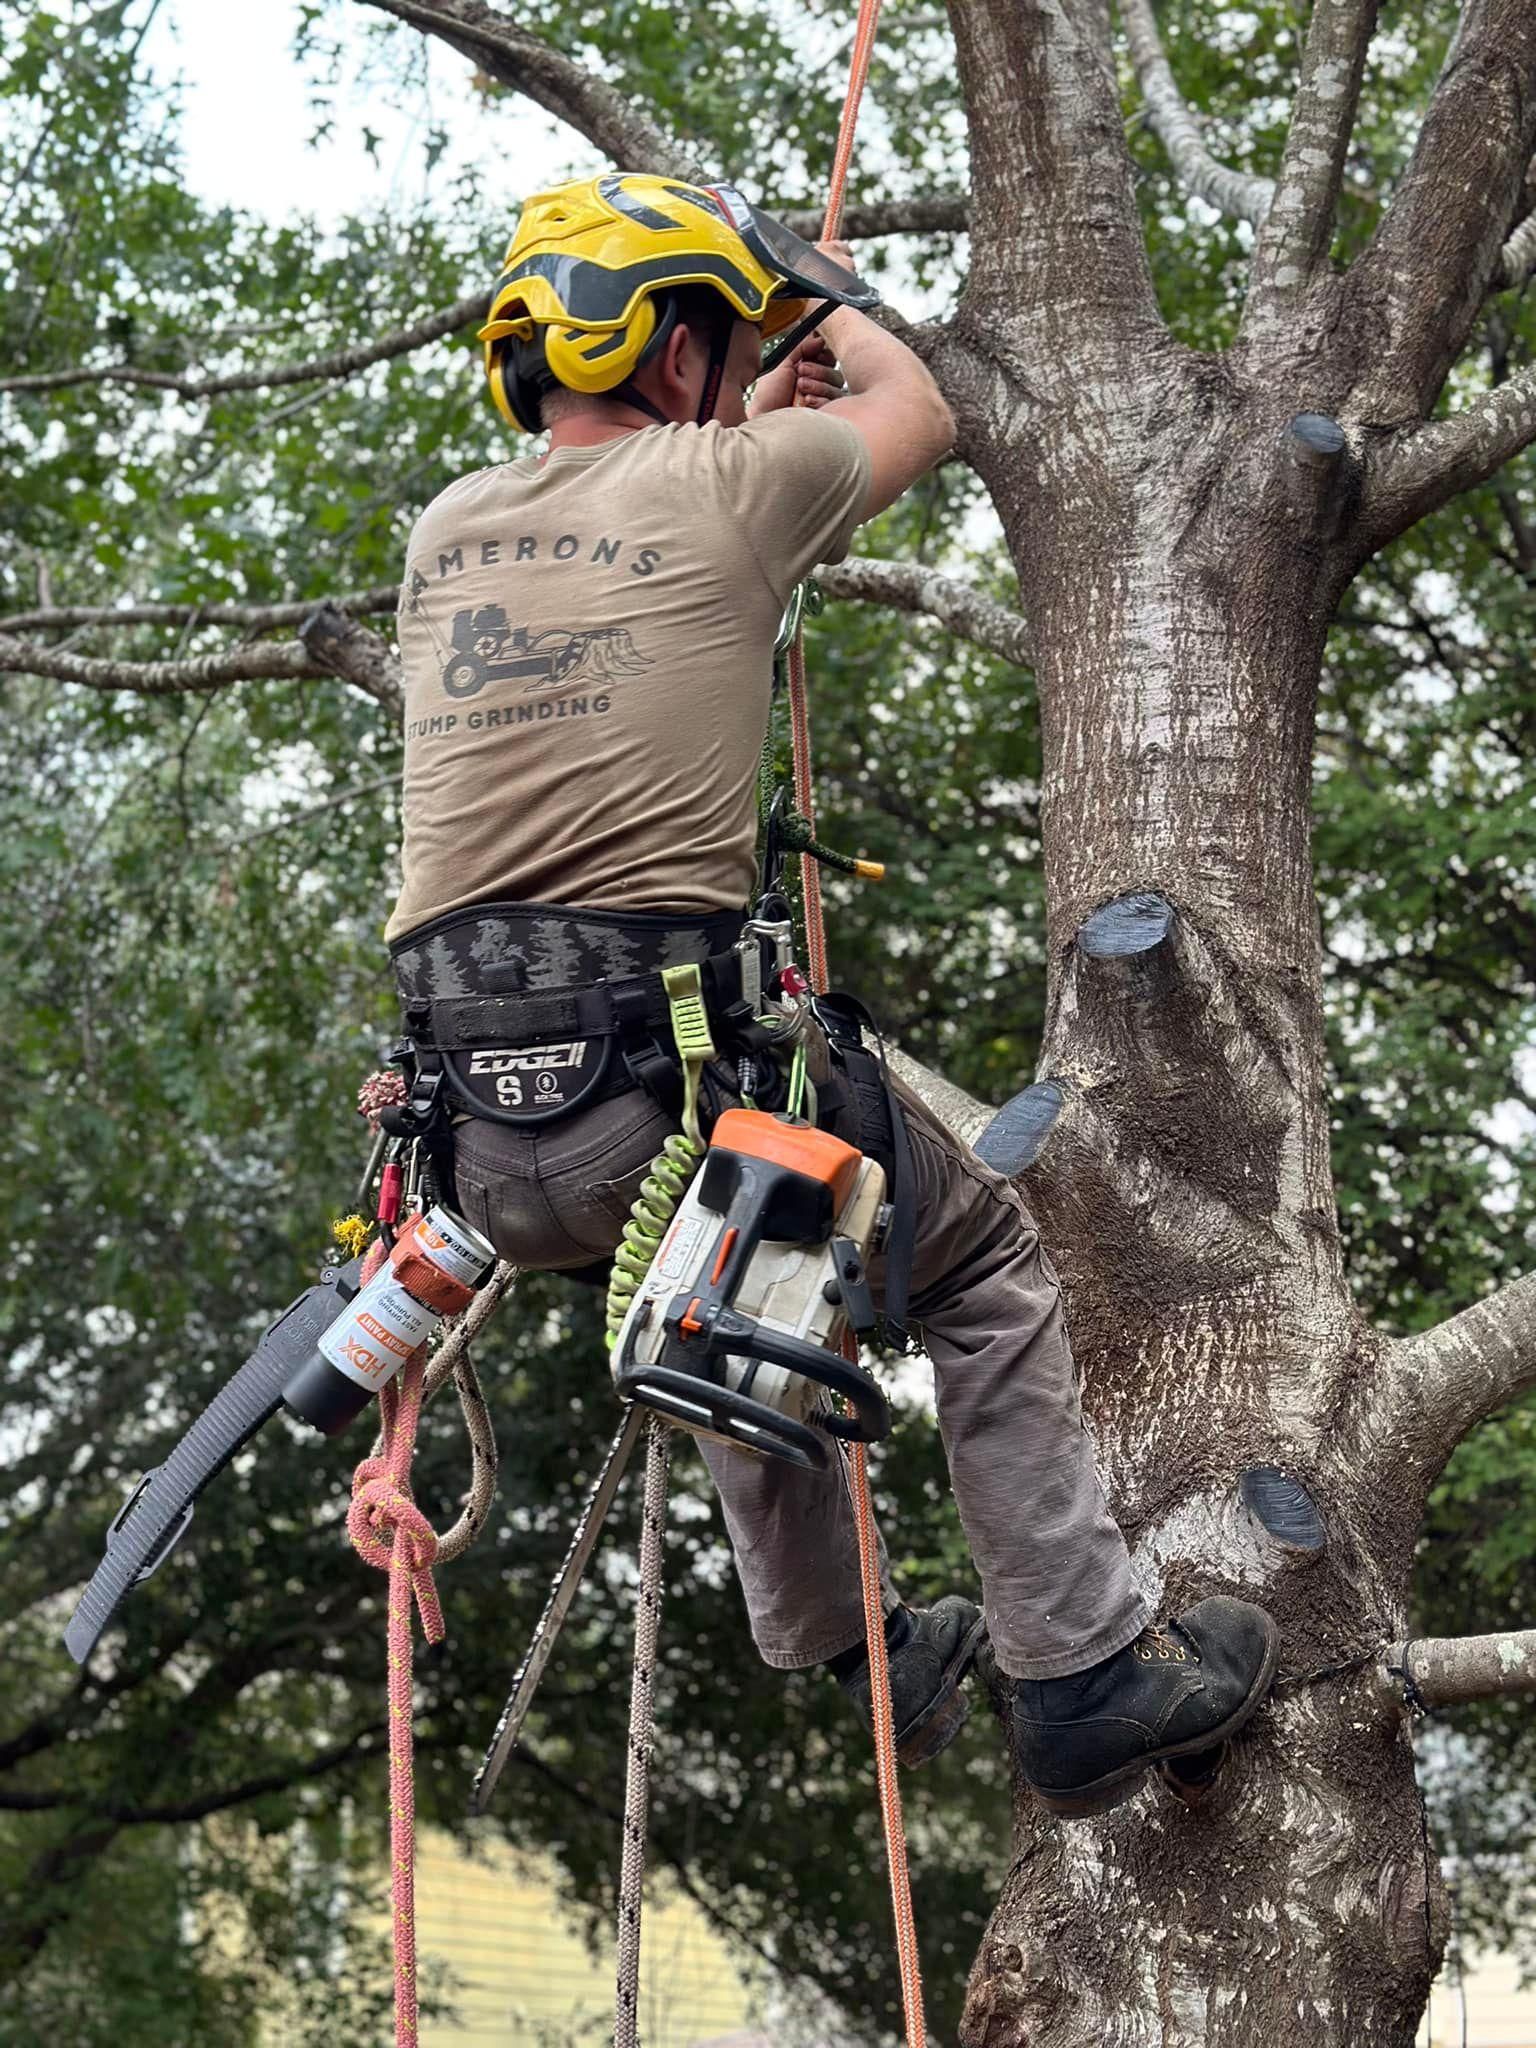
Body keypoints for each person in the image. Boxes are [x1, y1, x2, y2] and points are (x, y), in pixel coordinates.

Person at [384, 173, 1278, 1816]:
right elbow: (916, 404)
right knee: (978, 1257)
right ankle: (1082, 1669)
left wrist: (756, 360)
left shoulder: (451, 526)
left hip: (477, 1149)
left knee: (735, 1258)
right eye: (726, 344)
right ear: (674, 353)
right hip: (656, 1096)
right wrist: (814, 290)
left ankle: (848, 1642)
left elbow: (652, 536)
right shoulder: (734, 486)